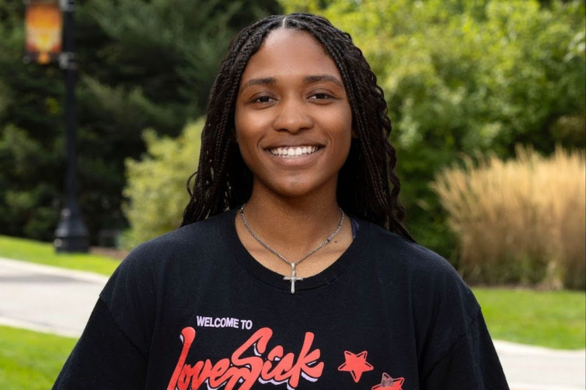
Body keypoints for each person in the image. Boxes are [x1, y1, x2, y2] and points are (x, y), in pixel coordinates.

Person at [53, 13, 509, 390]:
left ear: (357, 120)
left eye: (321, 95)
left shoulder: (425, 290)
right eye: (264, 98)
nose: (292, 119)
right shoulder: (156, 278)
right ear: (232, 125)